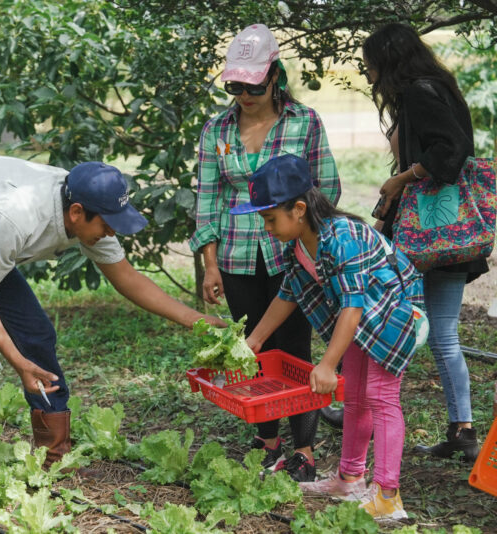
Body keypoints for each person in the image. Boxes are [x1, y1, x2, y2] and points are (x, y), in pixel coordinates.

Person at [0, 156, 225, 517]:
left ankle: (54, 460)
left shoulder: (87, 206)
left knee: (37, 336)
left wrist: (197, 321)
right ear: (76, 213)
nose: (112, 232)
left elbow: (127, 277)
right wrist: (18, 364)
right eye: (108, 225)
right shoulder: (16, 217)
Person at [190, 23, 341, 482]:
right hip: (236, 254)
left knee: (294, 348)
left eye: (252, 84)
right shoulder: (216, 128)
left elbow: (326, 188)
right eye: (234, 85)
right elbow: (209, 198)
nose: (243, 94)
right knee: (250, 349)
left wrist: (315, 248)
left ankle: (304, 449)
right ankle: (266, 441)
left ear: (274, 75)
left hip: (292, 253)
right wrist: (209, 264)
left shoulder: (304, 122)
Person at [239, 154, 424, 520]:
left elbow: (353, 304)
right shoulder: (300, 245)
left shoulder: (342, 237)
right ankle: (350, 478)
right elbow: (288, 294)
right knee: (354, 396)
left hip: (394, 314)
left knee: (380, 397)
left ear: (299, 209)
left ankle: (388, 495)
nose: (267, 228)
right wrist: (255, 340)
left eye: (270, 219)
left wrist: (326, 363)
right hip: (359, 320)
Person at [364, 23, 487, 462]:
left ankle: (361, 410)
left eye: (370, 66)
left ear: (387, 62)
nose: (368, 76)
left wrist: (402, 177)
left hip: (428, 234)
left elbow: (449, 154)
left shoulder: (419, 92)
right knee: (443, 335)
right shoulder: (438, 87)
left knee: (377, 317)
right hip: (445, 233)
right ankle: (462, 430)